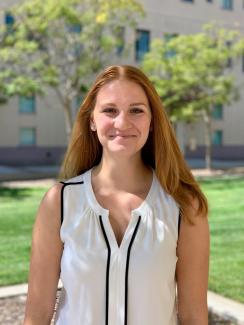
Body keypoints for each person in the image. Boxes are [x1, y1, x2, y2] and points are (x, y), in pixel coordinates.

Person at [24, 65, 209, 325]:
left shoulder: (184, 206)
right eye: (110, 110)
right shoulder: (60, 202)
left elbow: (193, 316)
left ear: (152, 120)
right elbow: (37, 315)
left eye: (136, 110)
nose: (122, 123)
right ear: (92, 120)